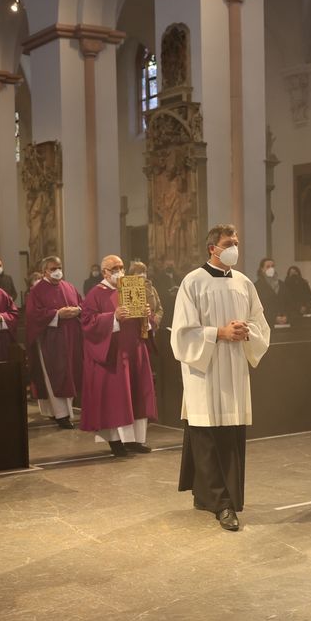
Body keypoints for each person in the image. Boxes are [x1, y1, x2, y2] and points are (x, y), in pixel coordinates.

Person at [171, 226, 270, 531]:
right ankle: (222, 503)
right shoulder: (193, 282)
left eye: (236, 243)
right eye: (229, 243)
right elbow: (182, 334)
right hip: (205, 372)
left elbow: (260, 323)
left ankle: (210, 496)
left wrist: (246, 332)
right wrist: (220, 333)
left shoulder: (244, 283)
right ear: (212, 248)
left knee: (230, 438)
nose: (234, 248)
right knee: (206, 438)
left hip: (235, 369)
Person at [81, 255, 157, 457]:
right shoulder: (95, 294)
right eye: (114, 269)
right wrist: (113, 317)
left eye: (122, 267)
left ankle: (135, 440)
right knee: (116, 398)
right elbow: (88, 323)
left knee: (137, 395)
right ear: (105, 272)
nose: (119, 272)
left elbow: (147, 324)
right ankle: (116, 441)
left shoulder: (132, 288)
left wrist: (146, 315)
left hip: (135, 350)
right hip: (113, 354)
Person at [25, 256, 84, 429]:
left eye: (59, 267)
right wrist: (57, 314)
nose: (57, 271)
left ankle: (64, 411)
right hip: (50, 340)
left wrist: (78, 310)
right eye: (53, 269)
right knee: (55, 375)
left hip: (71, 338)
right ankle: (61, 414)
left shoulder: (69, 287)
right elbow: (33, 315)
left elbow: (82, 305)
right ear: (44, 271)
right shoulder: (37, 291)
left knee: (69, 374)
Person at [255, 258, 288, 327]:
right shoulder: (257, 286)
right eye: (268, 266)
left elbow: (288, 303)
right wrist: (274, 318)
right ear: (262, 269)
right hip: (266, 324)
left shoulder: (282, 285)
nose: (271, 269)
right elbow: (257, 308)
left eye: (272, 266)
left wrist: (286, 316)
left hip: (284, 323)